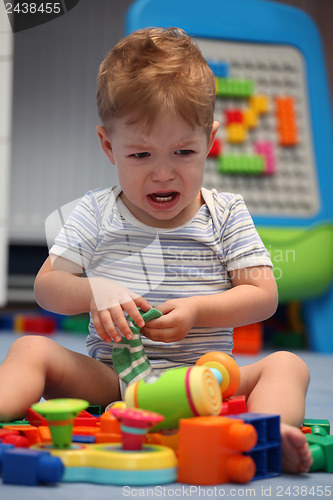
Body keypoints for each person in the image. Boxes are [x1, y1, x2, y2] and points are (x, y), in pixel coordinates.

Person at [0, 27, 311, 474]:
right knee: (31, 348)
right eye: (141, 155)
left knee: (286, 363)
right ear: (109, 146)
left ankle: (271, 430)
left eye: (183, 151)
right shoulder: (94, 212)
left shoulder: (226, 214)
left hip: (208, 379)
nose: (162, 174)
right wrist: (94, 291)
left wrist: (196, 313)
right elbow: (47, 286)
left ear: (210, 141)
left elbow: (263, 296)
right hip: (114, 383)